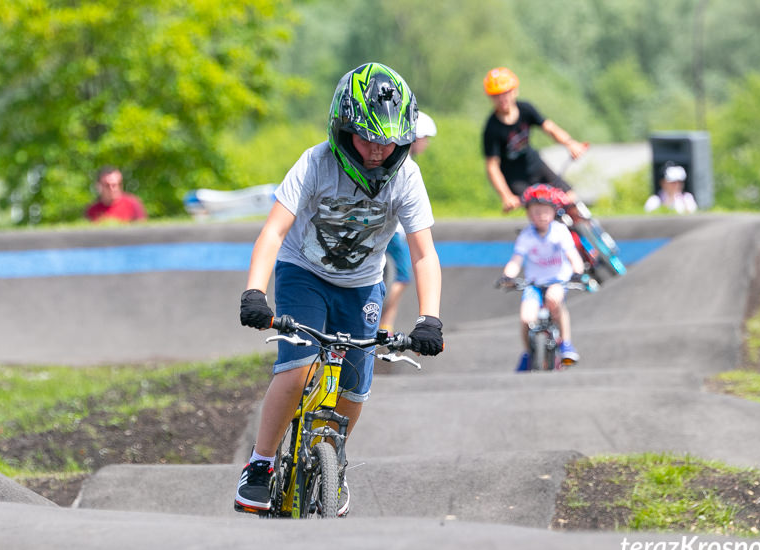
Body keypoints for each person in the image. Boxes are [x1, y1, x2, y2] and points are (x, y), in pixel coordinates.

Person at [235, 63, 444, 517]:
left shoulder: (405, 178)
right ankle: (261, 463)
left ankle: (333, 460)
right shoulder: (315, 164)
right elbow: (273, 232)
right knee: (296, 370)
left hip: (362, 285)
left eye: (387, 141)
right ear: (342, 129)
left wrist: (429, 318)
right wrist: (255, 292)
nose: (376, 151)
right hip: (303, 272)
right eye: (366, 138)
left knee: (355, 391)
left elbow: (424, 253)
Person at [498, 184, 586, 371]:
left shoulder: (560, 232)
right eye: (536, 212)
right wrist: (507, 275)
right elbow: (516, 261)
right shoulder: (526, 235)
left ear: (553, 212)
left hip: (557, 280)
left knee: (554, 300)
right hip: (534, 284)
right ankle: (528, 352)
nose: (542, 215)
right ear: (529, 214)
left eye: (546, 211)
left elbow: (573, 256)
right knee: (525, 318)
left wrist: (578, 272)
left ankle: (567, 343)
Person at [482, 67, 588, 213]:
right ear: (491, 97)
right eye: (497, 95)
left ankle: (586, 232)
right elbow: (492, 167)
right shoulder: (492, 128)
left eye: (506, 93)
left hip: (536, 165)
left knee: (569, 198)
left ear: (515, 91)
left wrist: (570, 143)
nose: (502, 99)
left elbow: (550, 128)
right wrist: (506, 196)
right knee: (542, 211)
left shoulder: (525, 109)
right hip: (516, 178)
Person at [379, 110, 437, 333]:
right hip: (394, 231)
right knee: (402, 275)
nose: (426, 144)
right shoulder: (407, 165)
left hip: (390, 229)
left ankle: (386, 323)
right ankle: (384, 321)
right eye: (425, 138)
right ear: (415, 137)